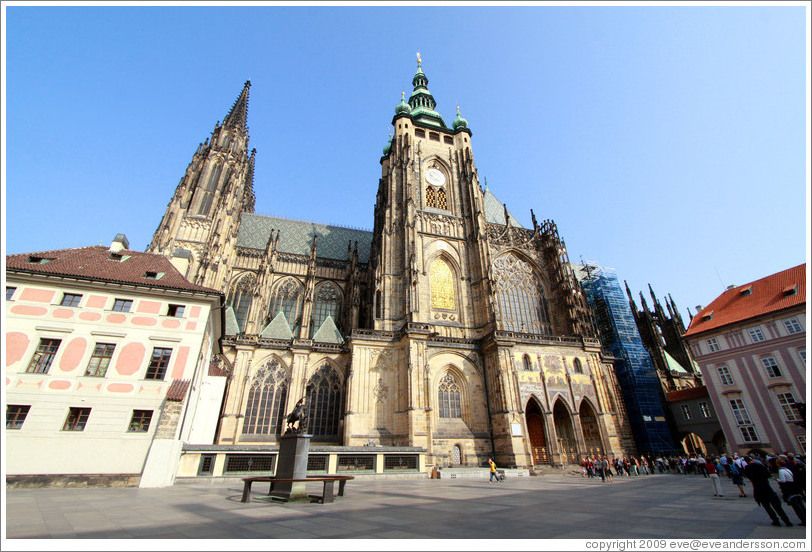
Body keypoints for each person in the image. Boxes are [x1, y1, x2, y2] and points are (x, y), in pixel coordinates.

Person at [743, 455, 793, 527]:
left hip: (758, 489)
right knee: (777, 506)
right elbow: (768, 475)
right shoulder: (760, 466)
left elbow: (750, 478)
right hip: (767, 488)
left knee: (767, 507)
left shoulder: (748, 468)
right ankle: (786, 520)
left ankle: (775, 520)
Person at [777, 457, 805, 525]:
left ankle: (803, 520)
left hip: (789, 489)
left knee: (796, 506)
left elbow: (783, 480)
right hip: (794, 488)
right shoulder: (787, 469)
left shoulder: (781, 471)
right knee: (800, 504)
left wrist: (778, 480)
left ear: (779, 464)